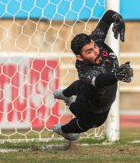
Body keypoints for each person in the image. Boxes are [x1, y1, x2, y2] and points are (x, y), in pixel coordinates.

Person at [52, 10, 134, 141]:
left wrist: (118, 19)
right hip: (91, 109)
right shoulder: (85, 70)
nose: (96, 51)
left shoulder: (96, 41)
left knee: (79, 87)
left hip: (96, 99)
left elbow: (107, 17)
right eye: (89, 51)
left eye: (94, 46)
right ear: (80, 57)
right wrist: (115, 75)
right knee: (85, 125)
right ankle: (62, 130)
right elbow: (101, 80)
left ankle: (65, 95)